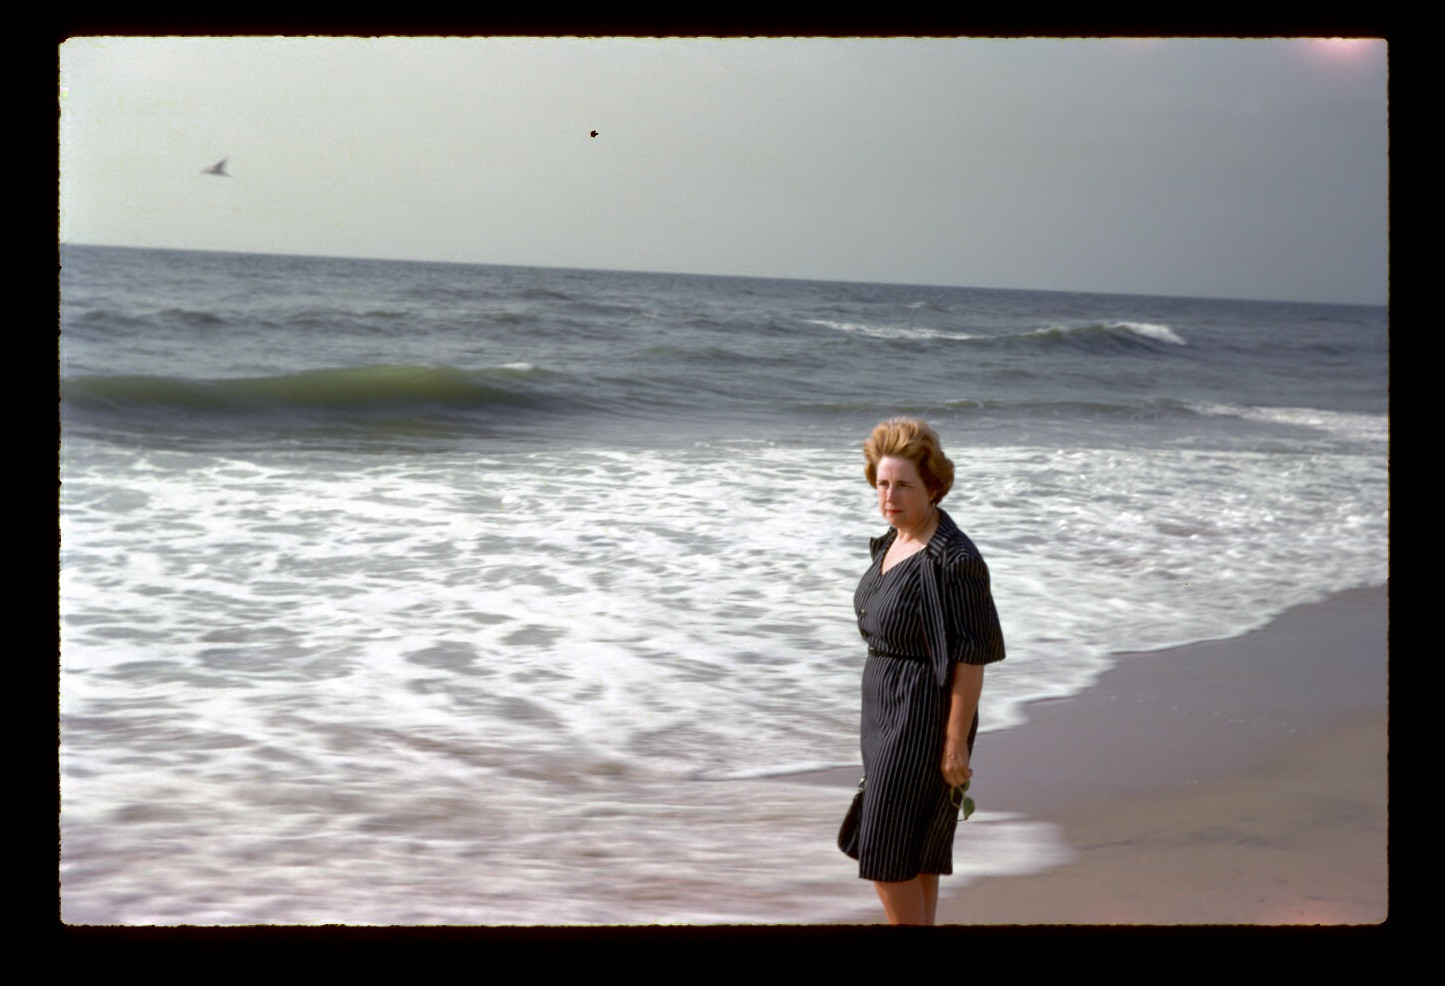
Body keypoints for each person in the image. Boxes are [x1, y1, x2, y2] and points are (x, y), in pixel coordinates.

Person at [847, 417, 1005, 925]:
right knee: (914, 850)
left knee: (885, 854)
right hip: (882, 711)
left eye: (903, 485)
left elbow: (972, 657)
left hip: (922, 716)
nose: (889, 496)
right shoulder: (891, 542)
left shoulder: (954, 560)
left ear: (932, 487)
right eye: (882, 483)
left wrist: (955, 742)